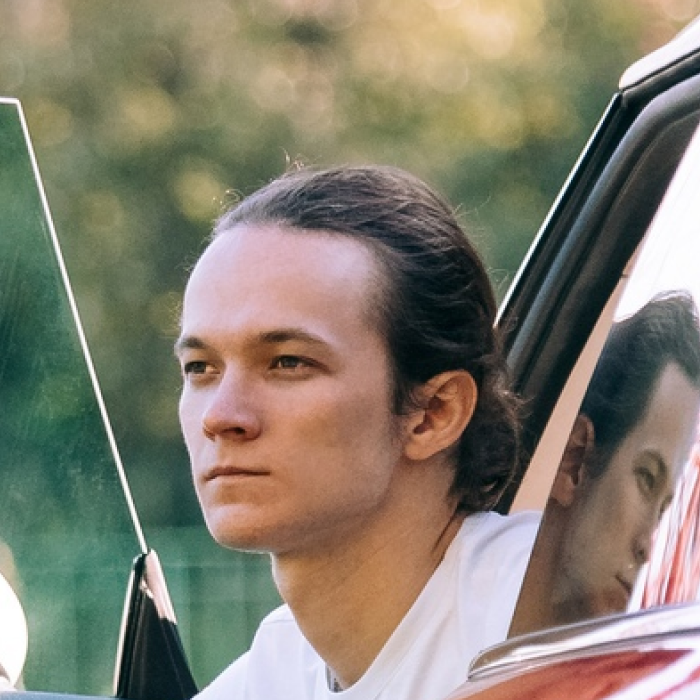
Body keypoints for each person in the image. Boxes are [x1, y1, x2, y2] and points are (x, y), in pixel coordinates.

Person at [176, 165, 540, 700]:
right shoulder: (272, 673)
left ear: (433, 412)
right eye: (201, 368)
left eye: (289, 362)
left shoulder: (549, 612)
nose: (220, 416)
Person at [509, 292, 700, 637]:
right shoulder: (446, 590)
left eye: (663, 510)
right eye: (647, 479)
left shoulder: (620, 669)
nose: (647, 548)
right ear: (575, 460)